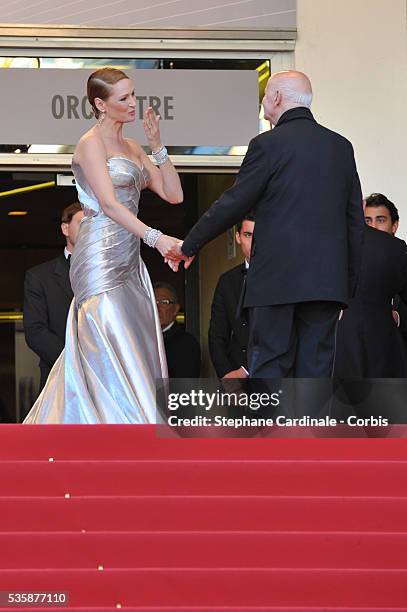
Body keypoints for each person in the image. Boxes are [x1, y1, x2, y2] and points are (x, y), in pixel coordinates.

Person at [167, 70, 365, 379]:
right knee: (316, 370)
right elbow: (354, 220)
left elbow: (234, 202)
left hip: (276, 278)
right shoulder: (341, 147)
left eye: (264, 99)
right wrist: (345, 287)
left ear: (276, 98)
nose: (263, 108)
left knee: (270, 364)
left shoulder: (267, 145)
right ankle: (307, 429)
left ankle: (272, 429)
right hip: (327, 283)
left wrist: (189, 244)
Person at [24, 67, 183, 424]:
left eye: (133, 95)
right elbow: (109, 205)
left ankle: (134, 423)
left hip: (130, 255)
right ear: (101, 104)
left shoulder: (132, 147)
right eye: (123, 98)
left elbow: (174, 194)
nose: (133, 104)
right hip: (99, 253)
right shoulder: (89, 144)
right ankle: (112, 425)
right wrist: (156, 239)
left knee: (133, 338)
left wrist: (157, 146)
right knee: (105, 330)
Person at [335, 194, 407, 377]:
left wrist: (398, 317)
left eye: (380, 220)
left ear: (395, 225)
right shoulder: (344, 251)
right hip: (348, 358)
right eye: (367, 220)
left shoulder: (397, 254)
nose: (373, 226)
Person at [23, 202, 84, 392]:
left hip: (108, 378)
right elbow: (35, 331)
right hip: (59, 377)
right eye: (83, 223)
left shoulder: (112, 272)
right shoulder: (40, 277)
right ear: (65, 228)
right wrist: (75, 362)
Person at [208, 214, 254, 379]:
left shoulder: (284, 277)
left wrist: (246, 370)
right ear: (238, 237)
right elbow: (217, 336)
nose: (254, 243)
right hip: (234, 375)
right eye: (248, 235)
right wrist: (228, 377)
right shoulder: (227, 281)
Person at [154, 282, 201, 378]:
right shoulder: (141, 339)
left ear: (176, 309)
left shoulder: (186, 343)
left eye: (163, 302)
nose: (157, 308)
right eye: (153, 303)